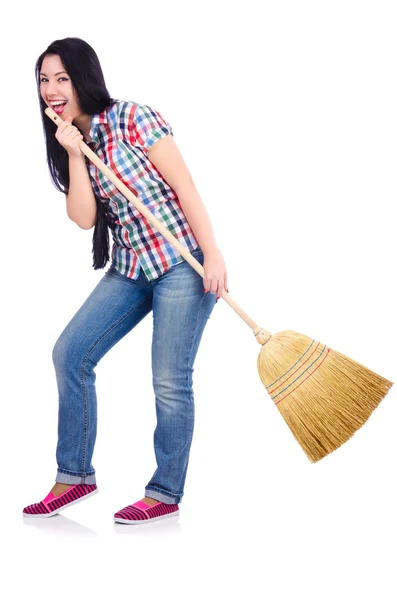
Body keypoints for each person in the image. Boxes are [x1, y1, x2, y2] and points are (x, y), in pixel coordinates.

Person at [23, 37, 228, 525]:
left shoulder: (134, 117)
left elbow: (185, 186)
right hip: (131, 267)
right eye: (44, 80)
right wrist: (73, 152)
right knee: (70, 354)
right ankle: (74, 478)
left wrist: (214, 253)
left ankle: (164, 492)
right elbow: (82, 218)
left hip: (184, 264)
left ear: (84, 77)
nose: (52, 89)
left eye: (62, 78)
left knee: (169, 381)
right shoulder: (69, 137)